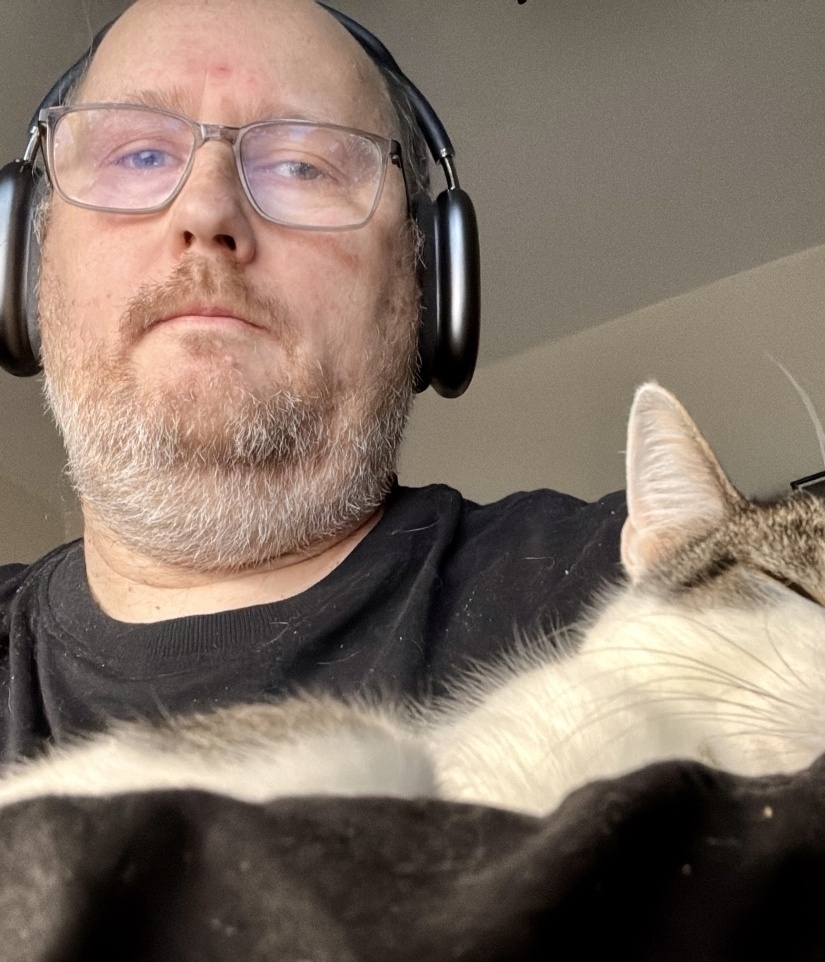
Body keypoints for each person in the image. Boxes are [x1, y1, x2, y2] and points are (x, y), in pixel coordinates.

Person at [0, 0, 624, 759]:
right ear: (24, 272)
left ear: (428, 284)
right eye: (139, 155)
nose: (206, 210)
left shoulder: (644, 590)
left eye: (302, 165)